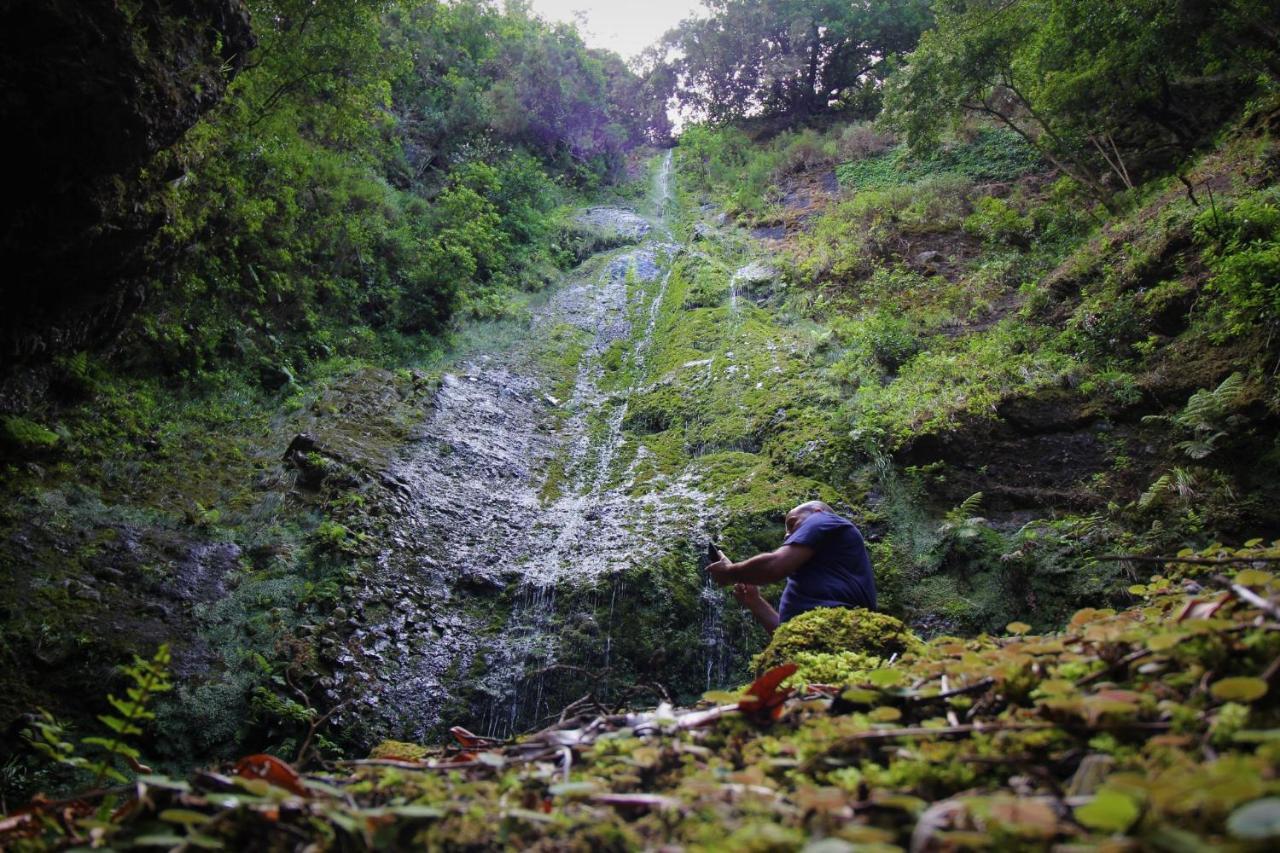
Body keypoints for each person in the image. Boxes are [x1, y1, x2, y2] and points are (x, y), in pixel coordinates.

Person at [706, 501, 875, 634]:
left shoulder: (824, 519)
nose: (787, 535)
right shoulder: (817, 576)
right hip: (826, 635)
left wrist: (730, 572)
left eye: (792, 523)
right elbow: (788, 635)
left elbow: (774, 566)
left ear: (817, 512)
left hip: (836, 630)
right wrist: (755, 602)